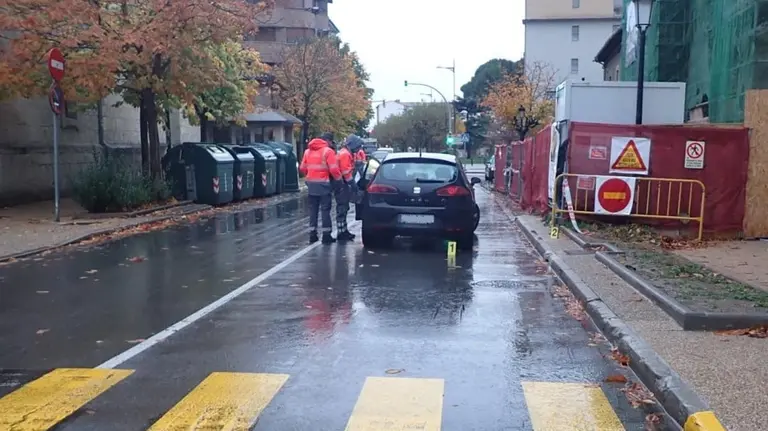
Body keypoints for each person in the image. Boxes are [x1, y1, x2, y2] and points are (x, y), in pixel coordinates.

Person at [299, 135, 342, 244]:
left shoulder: (307, 152)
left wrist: (310, 175)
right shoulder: (328, 151)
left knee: (313, 210)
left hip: (311, 184)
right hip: (323, 184)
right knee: (325, 210)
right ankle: (326, 235)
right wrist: (339, 180)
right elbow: (334, 169)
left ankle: (312, 234)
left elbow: (302, 168)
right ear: (327, 141)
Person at [333, 137, 356, 241]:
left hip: (341, 183)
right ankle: (341, 232)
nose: (358, 149)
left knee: (344, 207)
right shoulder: (345, 154)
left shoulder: (344, 153)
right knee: (342, 208)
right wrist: (353, 184)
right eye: (357, 147)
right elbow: (346, 172)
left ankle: (343, 230)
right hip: (342, 184)